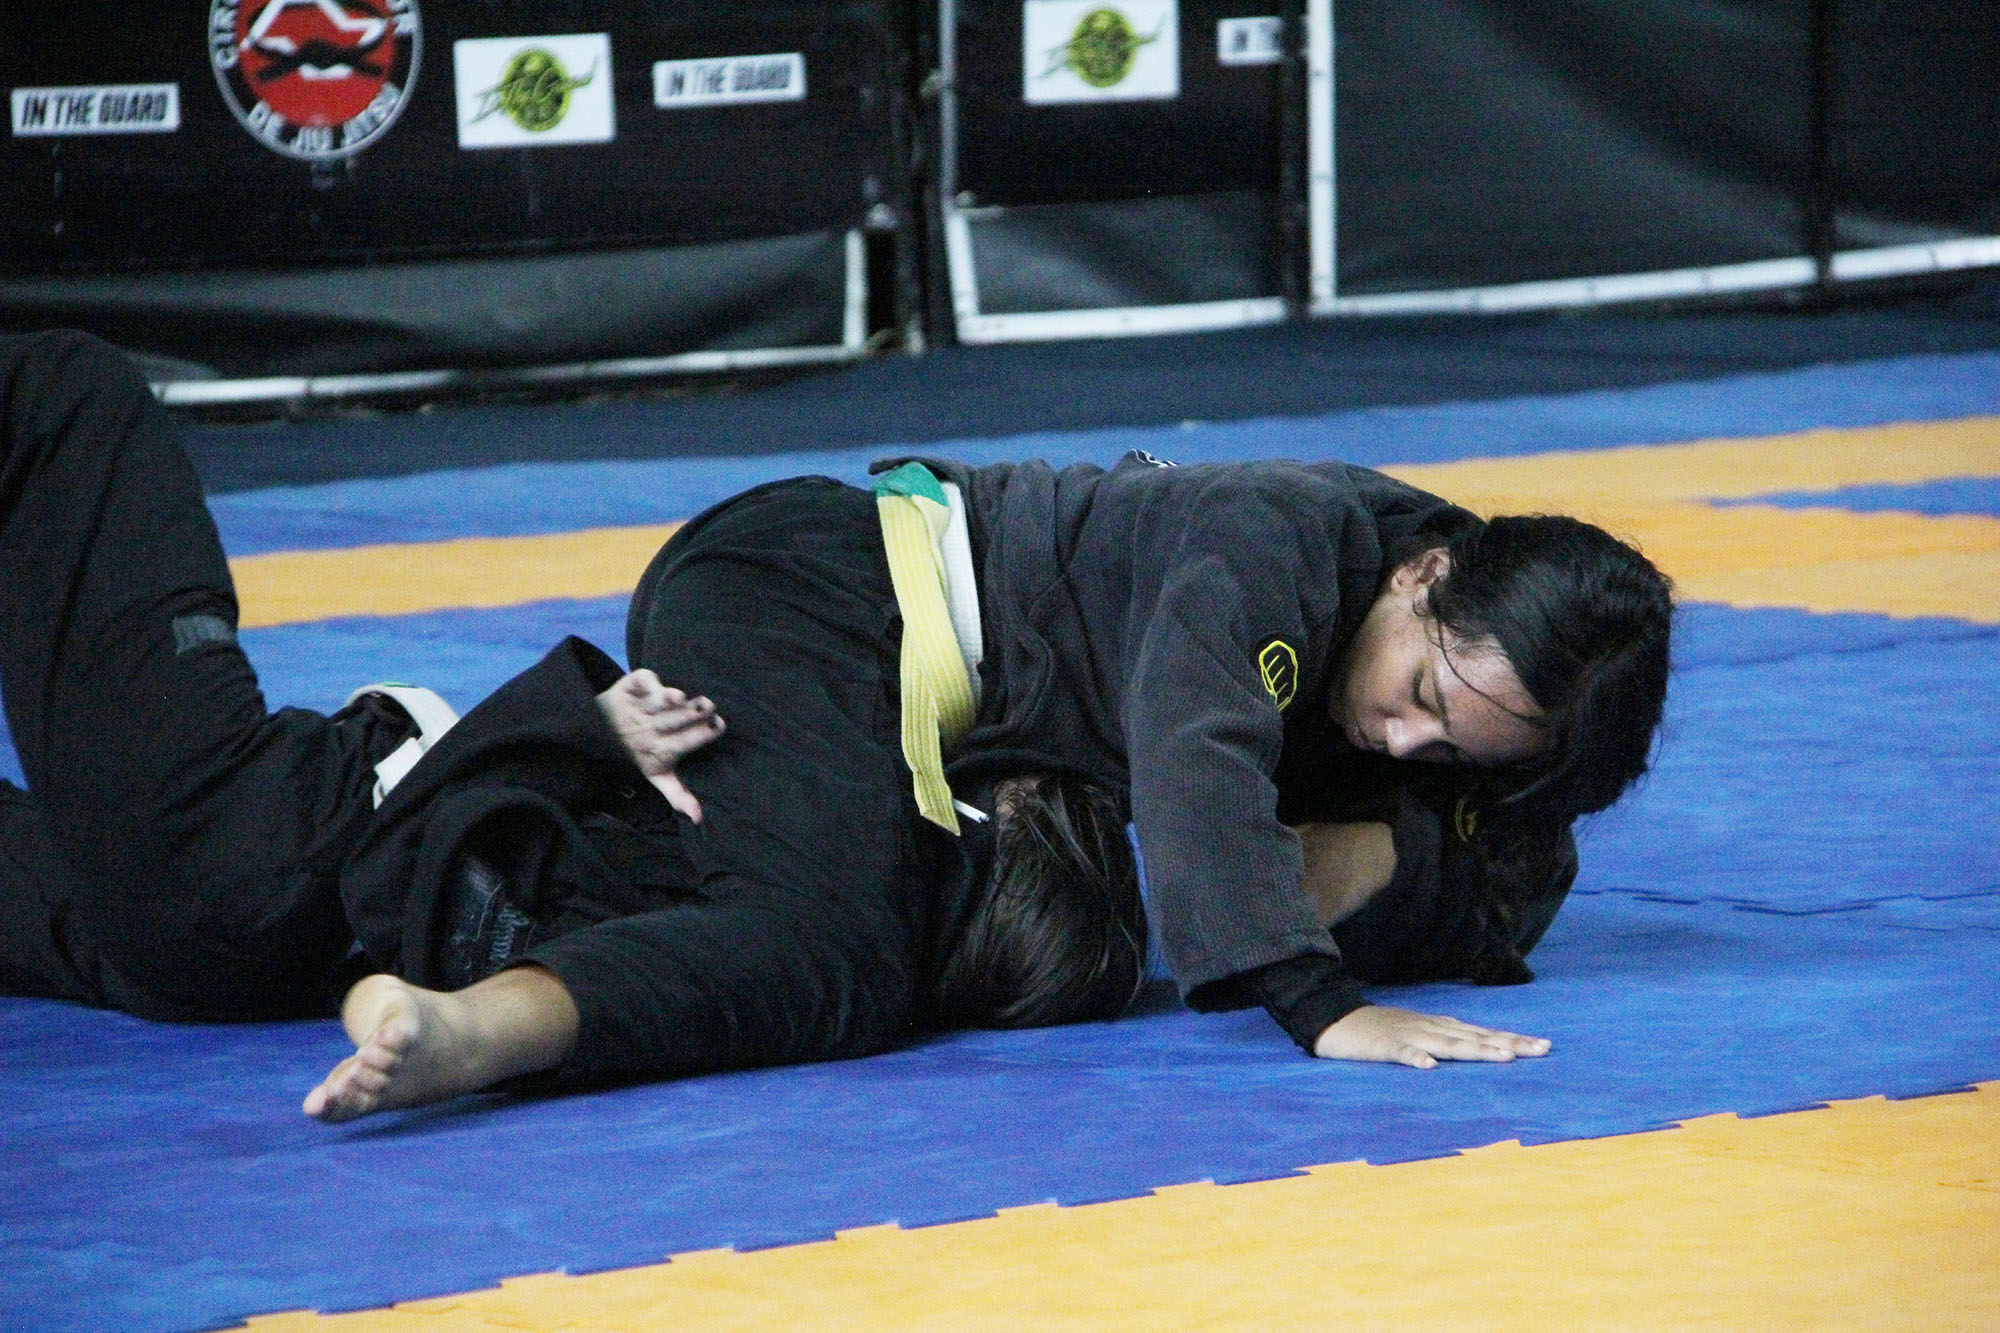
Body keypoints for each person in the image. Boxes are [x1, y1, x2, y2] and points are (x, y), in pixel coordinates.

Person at [0, 331, 1147, 1125]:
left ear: (992, 818)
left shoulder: (833, 898)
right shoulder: (826, 939)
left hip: (267, 858)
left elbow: (738, 577)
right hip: (248, 940)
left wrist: (458, 1031)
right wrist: (428, 1014)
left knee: (64, 397)